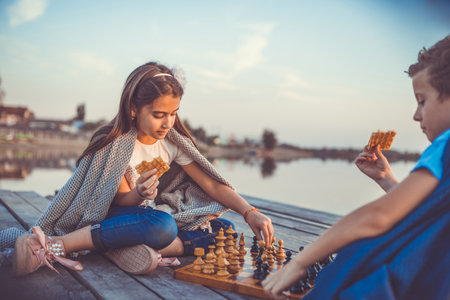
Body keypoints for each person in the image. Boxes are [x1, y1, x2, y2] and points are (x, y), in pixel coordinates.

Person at [1, 62, 274, 276]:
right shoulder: (116, 145)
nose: (168, 122)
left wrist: (250, 212)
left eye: (173, 113)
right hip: (118, 215)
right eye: (159, 115)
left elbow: (212, 185)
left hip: (145, 220)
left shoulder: (172, 143)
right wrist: (140, 193)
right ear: (134, 109)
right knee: (162, 225)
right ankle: (56, 245)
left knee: (224, 230)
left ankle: (119, 247)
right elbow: (116, 200)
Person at [263, 36, 450, 300]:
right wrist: (386, 180)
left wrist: (300, 262)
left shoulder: (446, 145)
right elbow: (426, 212)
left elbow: (378, 217)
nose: (416, 115)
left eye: (422, 100)